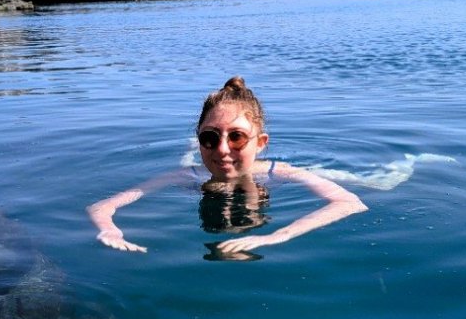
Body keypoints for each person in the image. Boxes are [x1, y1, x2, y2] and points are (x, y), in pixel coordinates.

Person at [87, 76, 368, 257]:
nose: (222, 150)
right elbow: (101, 207)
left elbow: (350, 202)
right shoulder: (184, 175)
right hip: (206, 180)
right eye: (209, 138)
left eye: (236, 137)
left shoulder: (279, 172)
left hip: (261, 183)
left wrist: (276, 237)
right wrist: (109, 230)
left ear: (260, 143)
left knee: (374, 182)